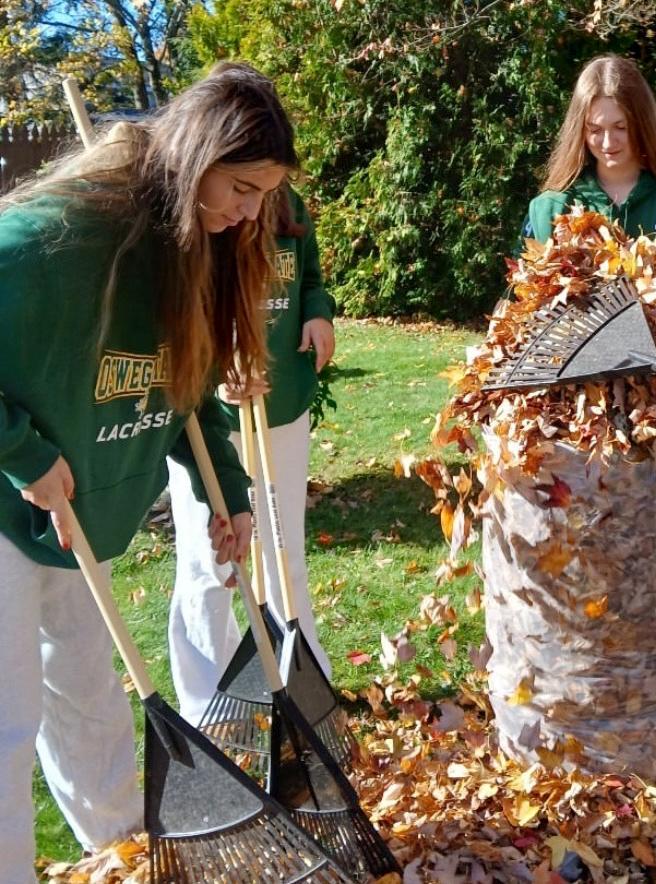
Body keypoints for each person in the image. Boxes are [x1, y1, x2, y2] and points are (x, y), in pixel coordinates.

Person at [0, 62, 297, 883]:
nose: (246, 214)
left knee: (89, 698)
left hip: (79, 514)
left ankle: (123, 852)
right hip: (6, 502)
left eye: (260, 196)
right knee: (8, 721)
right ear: (196, 157)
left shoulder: (190, 248)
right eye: (239, 187)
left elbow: (188, 391)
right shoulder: (56, 238)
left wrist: (227, 496)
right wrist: (22, 452)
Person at [167, 184, 335, 724]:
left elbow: (309, 277)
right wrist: (218, 371)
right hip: (212, 423)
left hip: (282, 405)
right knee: (212, 561)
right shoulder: (194, 212)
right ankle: (210, 706)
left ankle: (304, 689)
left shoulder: (286, 203)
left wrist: (317, 313)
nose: (253, 199)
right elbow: (172, 316)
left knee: (283, 551)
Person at [524, 54, 656, 325]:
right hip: (573, 365)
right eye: (594, 129)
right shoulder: (549, 208)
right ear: (580, 130)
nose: (607, 142)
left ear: (642, 125)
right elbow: (527, 298)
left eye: (620, 127)